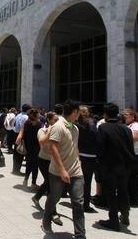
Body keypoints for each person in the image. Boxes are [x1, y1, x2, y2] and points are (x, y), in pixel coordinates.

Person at [42, 100, 85, 238]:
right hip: (57, 171)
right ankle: (46, 220)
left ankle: (80, 234)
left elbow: (75, 147)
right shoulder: (58, 126)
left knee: (78, 202)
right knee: (54, 198)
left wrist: (79, 162)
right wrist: (62, 170)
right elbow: (53, 147)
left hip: (76, 171)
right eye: (78, 112)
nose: (80, 114)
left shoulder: (75, 128)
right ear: (74, 112)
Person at [95, 103, 135, 231]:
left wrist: (100, 163)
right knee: (123, 190)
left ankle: (113, 220)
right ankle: (125, 215)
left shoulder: (103, 127)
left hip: (110, 166)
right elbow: (130, 147)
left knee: (111, 192)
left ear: (105, 114)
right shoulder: (126, 129)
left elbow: (100, 148)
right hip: (125, 165)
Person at [32, 111, 62, 226]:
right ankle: (53, 213)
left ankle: (37, 197)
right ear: (48, 120)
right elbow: (42, 141)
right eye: (55, 120)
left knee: (48, 182)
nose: (57, 123)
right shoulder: (42, 130)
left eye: (58, 120)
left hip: (54, 160)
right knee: (50, 184)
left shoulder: (60, 131)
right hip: (43, 160)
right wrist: (51, 129)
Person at [77, 105, 98, 213]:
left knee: (77, 180)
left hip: (78, 154)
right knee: (87, 181)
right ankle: (85, 204)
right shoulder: (92, 123)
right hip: (90, 155)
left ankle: (76, 201)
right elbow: (96, 137)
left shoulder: (76, 123)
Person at [16, 108, 42, 189]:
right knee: (35, 166)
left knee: (28, 165)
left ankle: (25, 180)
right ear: (36, 115)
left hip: (28, 147)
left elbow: (23, 134)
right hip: (36, 147)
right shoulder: (38, 124)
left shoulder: (27, 123)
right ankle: (33, 183)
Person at [122, 108, 138, 207]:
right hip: (126, 154)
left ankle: (135, 200)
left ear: (132, 116)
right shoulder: (126, 125)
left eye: (126, 114)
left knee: (134, 178)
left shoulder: (136, 125)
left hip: (134, 154)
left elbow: (135, 137)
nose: (124, 116)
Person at [13, 104, 31, 175]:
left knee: (16, 152)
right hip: (22, 135)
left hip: (16, 134)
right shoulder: (26, 117)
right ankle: (17, 170)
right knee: (21, 152)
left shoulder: (17, 115)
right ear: (28, 110)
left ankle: (15, 168)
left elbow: (13, 124)